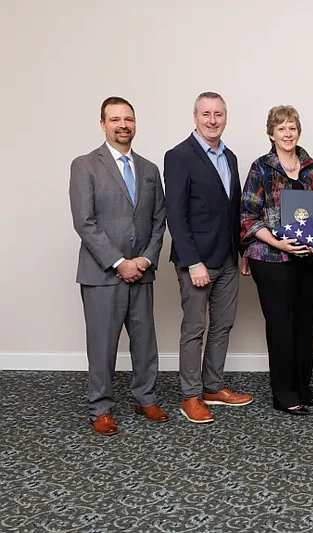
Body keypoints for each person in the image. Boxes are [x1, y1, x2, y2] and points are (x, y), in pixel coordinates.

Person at [69, 96, 167, 435]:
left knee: (144, 340)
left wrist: (144, 259)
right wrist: (118, 262)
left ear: (135, 124)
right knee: (102, 343)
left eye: (128, 119)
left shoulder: (150, 169)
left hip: (142, 271)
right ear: (102, 124)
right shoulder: (84, 165)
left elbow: (159, 220)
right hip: (102, 273)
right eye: (115, 119)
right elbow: (85, 222)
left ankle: (145, 397)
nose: (122, 124)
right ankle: (101, 408)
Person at [164, 92, 253, 424]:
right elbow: (176, 213)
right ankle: (191, 395)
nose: (212, 120)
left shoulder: (229, 157)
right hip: (197, 260)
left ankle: (213, 386)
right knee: (194, 328)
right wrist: (192, 262)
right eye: (206, 114)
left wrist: (242, 252)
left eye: (218, 114)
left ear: (225, 117)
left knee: (223, 324)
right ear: (195, 117)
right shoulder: (178, 156)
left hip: (229, 256)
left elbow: (235, 210)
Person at [241, 105, 313, 416]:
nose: (288, 133)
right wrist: (279, 243)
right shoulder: (261, 168)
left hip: (309, 259)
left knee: (306, 325)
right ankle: (284, 392)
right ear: (271, 134)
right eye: (281, 129)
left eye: (292, 128)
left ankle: (304, 387)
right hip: (271, 258)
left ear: (298, 132)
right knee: (281, 326)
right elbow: (248, 217)